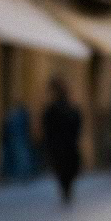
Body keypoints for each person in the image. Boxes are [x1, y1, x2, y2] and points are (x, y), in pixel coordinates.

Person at [39, 75, 83, 206]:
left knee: (64, 169)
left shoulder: (56, 109)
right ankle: (66, 190)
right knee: (65, 169)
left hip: (62, 145)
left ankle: (66, 190)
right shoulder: (64, 108)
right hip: (64, 145)